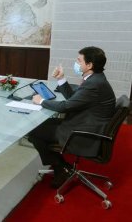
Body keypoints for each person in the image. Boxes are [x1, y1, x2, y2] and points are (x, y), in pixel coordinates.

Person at [28, 46, 116, 188]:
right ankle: (61, 166)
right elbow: (75, 99)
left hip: (83, 132)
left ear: (89, 65)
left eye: (79, 61)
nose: (76, 63)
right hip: (85, 122)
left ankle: (60, 167)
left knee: (33, 131)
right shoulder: (96, 79)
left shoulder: (94, 84)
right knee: (41, 125)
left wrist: (41, 101)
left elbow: (66, 106)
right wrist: (61, 79)